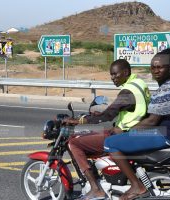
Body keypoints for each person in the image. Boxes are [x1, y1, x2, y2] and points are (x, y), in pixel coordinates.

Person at [64, 59, 150, 200]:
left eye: (115, 74)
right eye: (111, 75)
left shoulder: (128, 92)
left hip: (124, 133)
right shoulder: (139, 84)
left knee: (75, 143)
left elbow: (109, 115)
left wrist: (79, 121)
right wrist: (100, 114)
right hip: (134, 130)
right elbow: (122, 109)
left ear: (126, 72)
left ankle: (96, 188)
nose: (112, 78)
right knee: (97, 134)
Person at [104, 48, 170, 200]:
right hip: (166, 131)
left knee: (110, 143)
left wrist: (128, 131)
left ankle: (137, 185)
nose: (155, 71)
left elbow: (152, 121)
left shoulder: (167, 89)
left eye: (160, 67)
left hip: (165, 134)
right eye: (153, 67)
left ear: (169, 68)